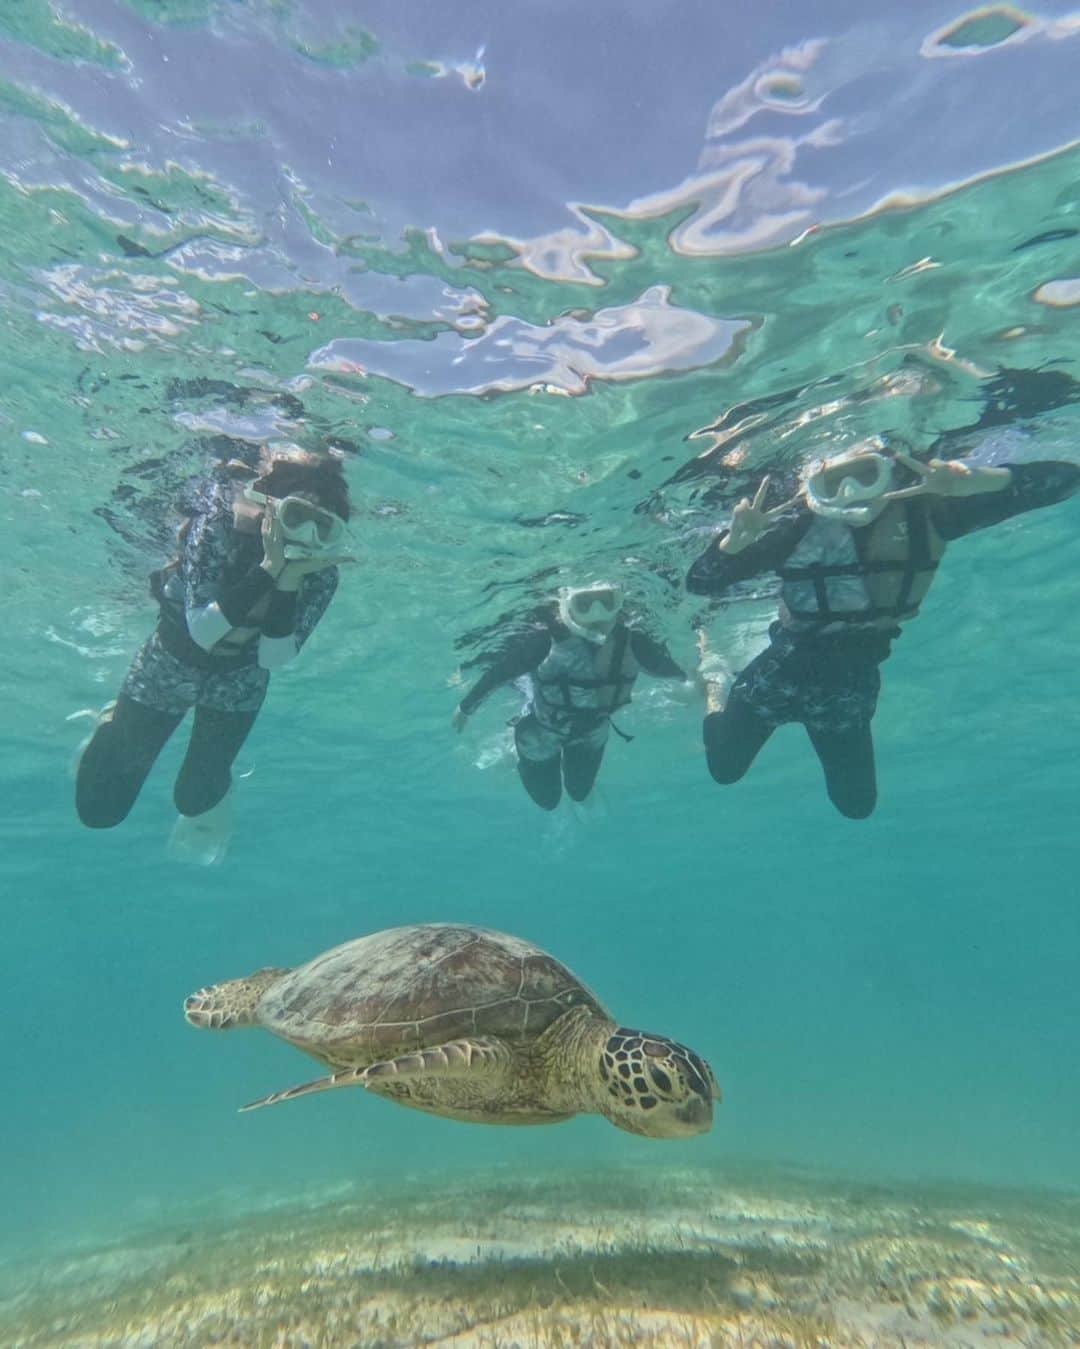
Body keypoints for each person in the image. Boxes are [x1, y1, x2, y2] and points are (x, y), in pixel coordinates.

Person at [686, 443, 1079, 819]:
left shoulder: (931, 511)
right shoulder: (798, 526)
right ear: (816, 484)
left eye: (867, 475)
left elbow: (1069, 477)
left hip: (851, 685)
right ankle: (716, 680)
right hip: (783, 670)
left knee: (856, 805)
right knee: (725, 769)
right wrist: (733, 543)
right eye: (836, 480)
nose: (852, 492)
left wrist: (983, 480)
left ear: (891, 474)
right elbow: (701, 583)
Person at [75, 448, 353, 860]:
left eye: (322, 527)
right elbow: (203, 630)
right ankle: (110, 722)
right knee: (101, 809)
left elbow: (274, 659)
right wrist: (268, 570)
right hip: (170, 659)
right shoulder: (219, 522)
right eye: (297, 517)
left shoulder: (321, 574)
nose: (306, 537)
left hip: (241, 678)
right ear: (271, 507)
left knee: (195, 798)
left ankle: (211, 787)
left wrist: (290, 579)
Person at [453, 582, 689, 810]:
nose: (597, 615)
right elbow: (500, 672)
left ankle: (574, 788)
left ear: (619, 603)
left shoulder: (635, 642)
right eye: (584, 604)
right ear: (566, 606)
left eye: (607, 602)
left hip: (592, 733)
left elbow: (672, 670)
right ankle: (518, 735)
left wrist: (694, 681)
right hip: (541, 733)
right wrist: (466, 708)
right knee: (548, 800)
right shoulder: (544, 640)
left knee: (579, 791)